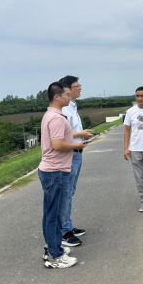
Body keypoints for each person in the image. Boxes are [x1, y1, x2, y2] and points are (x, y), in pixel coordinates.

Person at [39, 81, 87, 269]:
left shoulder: (50, 115)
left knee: (50, 213)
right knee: (55, 215)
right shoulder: (57, 118)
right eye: (66, 94)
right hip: (56, 171)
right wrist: (77, 145)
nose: (69, 97)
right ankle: (56, 255)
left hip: (52, 170)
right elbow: (58, 145)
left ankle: (52, 246)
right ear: (57, 97)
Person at [58, 75, 93, 247]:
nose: (80, 88)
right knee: (65, 193)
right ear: (67, 89)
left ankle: (68, 226)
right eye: (77, 86)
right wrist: (81, 134)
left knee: (69, 192)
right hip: (70, 154)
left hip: (77, 153)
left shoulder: (72, 107)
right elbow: (61, 135)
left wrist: (83, 134)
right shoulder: (64, 110)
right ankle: (64, 232)